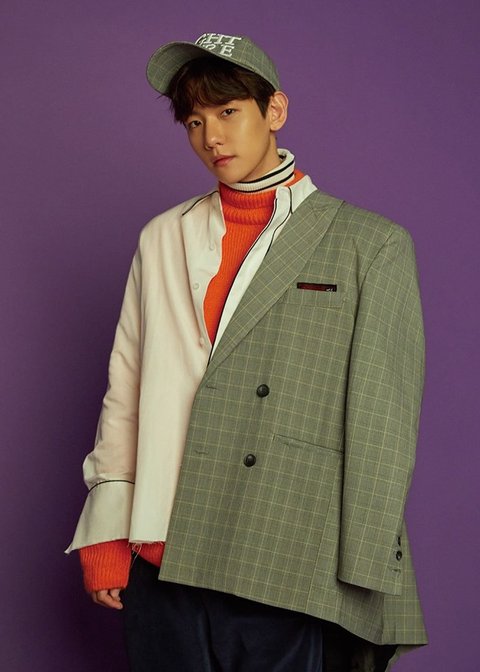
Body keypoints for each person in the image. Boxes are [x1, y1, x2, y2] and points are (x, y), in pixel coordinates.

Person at [67, 32, 427, 672]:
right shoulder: (164, 236)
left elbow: (383, 421)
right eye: (194, 121)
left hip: (283, 552)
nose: (212, 137)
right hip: (161, 549)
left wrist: (365, 571)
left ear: (275, 110)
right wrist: (106, 535)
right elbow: (127, 391)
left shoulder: (368, 243)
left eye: (228, 112)